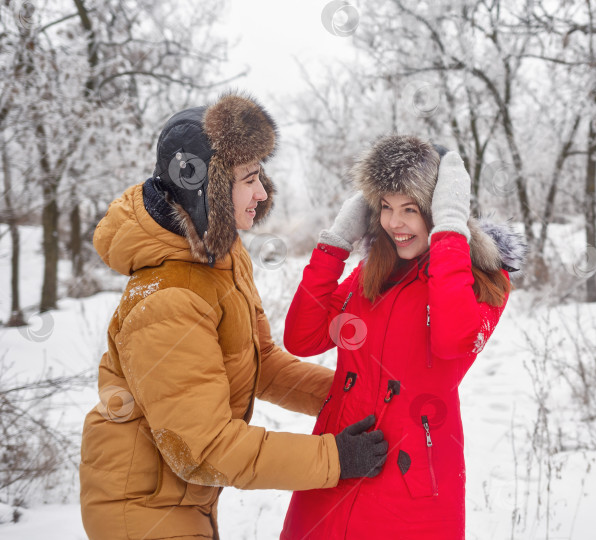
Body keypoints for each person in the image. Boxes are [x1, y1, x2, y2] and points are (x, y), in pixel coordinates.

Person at [79, 93, 388, 540]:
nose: (262, 192)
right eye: (248, 179)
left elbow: (257, 359)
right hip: (141, 512)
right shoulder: (169, 301)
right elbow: (203, 449)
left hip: (179, 498)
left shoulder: (218, 256)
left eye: (260, 175)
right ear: (206, 188)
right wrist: (334, 458)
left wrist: (346, 393)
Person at [280, 135, 527, 539]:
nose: (394, 223)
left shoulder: (485, 281)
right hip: (338, 463)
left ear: (438, 207)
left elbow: (451, 341)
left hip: (410, 488)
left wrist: (449, 230)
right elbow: (302, 337)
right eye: (386, 208)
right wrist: (337, 243)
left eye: (410, 209)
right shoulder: (370, 275)